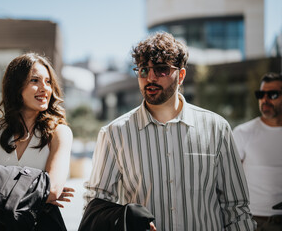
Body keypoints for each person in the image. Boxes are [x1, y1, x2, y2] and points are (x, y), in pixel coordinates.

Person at [83, 32, 256, 231]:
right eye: (143, 70)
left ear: (181, 75)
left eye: (161, 70)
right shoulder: (114, 134)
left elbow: (236, 209)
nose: (150, 77)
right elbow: (96, 203)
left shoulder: (217, 128)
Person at [0, 53, 74, 229]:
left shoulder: (59, 132)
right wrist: (38, 191)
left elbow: (52, 190)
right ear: (16, 85)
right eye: (35, 81)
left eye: (48, 82)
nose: (45, 88)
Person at [233, 72, 282, 230]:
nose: (265, 100)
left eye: (272, 94)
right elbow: (229, 180)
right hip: (253, 220)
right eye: (261, 94)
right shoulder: (243, 132)